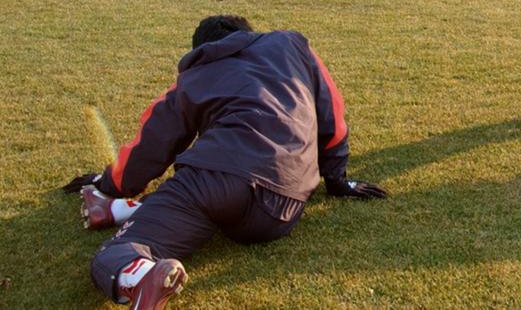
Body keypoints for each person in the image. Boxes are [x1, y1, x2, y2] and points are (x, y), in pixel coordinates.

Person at [62, 15, 387, 308]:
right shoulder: (292, 44)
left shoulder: (195, 74)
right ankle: (118, 210)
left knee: (114, 254)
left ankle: (139, 273)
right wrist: (338, 179)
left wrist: (108, 183)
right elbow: (332, 112)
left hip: (215, 183)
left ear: (201, 50)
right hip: (282, 208)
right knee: (198, 198)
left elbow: (153, 142)